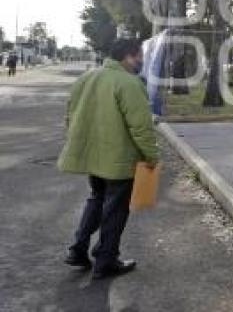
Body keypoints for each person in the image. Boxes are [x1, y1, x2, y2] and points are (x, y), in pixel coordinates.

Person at [58, 38, 160, 278]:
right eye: (138, 57)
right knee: (115, 211)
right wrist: (152, 156)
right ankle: (106, 260)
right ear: (127, 56)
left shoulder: (86, 78)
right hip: (119, 160)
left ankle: (77, 250)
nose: (140, 62)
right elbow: (141, 127)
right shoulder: (129, 83)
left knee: (96, 200)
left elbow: (70, 115)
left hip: (94, 158)